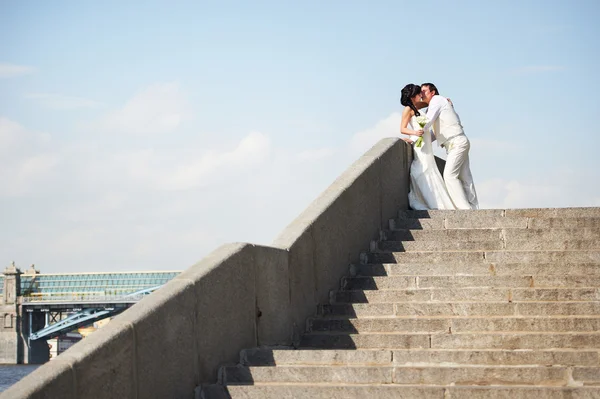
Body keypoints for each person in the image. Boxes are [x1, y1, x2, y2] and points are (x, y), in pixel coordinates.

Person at [419, 83, 479, 210]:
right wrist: (417, 141)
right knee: (465, 177)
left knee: (450, 175)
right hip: (456, 143)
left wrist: (414, 132)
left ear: (433, 92)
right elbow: (434, 134)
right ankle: (473, 209)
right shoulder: (438, 104)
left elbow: (426, 122)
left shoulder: (436, 100)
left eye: (424, 91)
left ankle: (464, 210)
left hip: (457, 142)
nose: (421, 94)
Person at [400, 84, 455, 210]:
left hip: (426, 142)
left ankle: (437, 201)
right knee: (421, 168)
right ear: (413, 95)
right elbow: (402, 128)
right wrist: (414, 133)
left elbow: (428, 103)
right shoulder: (407, 109)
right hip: (420, 141)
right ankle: (428, 201)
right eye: (419, 93)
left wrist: (444, 100)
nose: (421, 95)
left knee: (430, 168)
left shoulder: (417, 106)